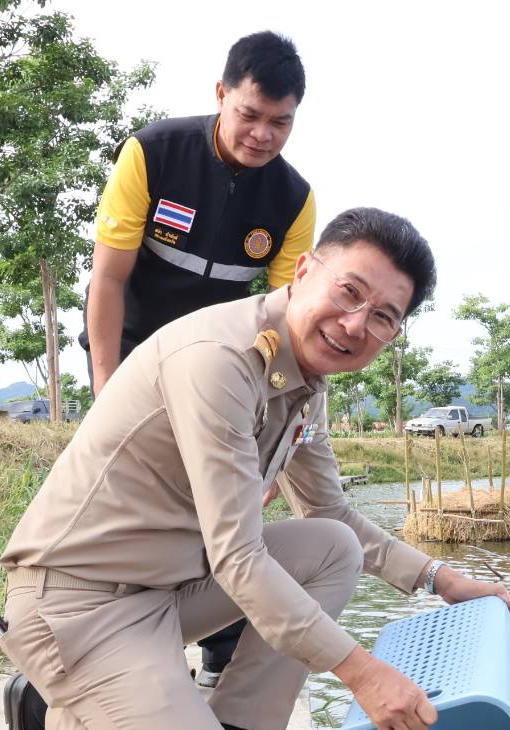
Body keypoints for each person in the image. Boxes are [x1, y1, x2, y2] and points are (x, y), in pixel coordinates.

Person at [0, 208, 510, 730]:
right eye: (349, 293)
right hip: (76, 608)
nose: (356, 325)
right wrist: (364, 673)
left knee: (332, 548)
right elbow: (238, 557)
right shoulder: (218, 360)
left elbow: (331, 513)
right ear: (303, 272)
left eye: (384, 316)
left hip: (164, 593)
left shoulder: (305, 378)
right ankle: (45, 718)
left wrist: (441, 579)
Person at [81, 29, 318, 691]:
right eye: (249, 114)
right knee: (136, 504)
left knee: (224, 505)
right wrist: (106, 391)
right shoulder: (153, 154)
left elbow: (288, 322)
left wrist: (274, 445)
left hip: (217, 368)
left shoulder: (293, 199)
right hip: (133, 352)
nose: (262, 135)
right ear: (220, 95)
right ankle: (113, 646)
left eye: (281, 123)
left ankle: (219, 655)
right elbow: (108, 280)